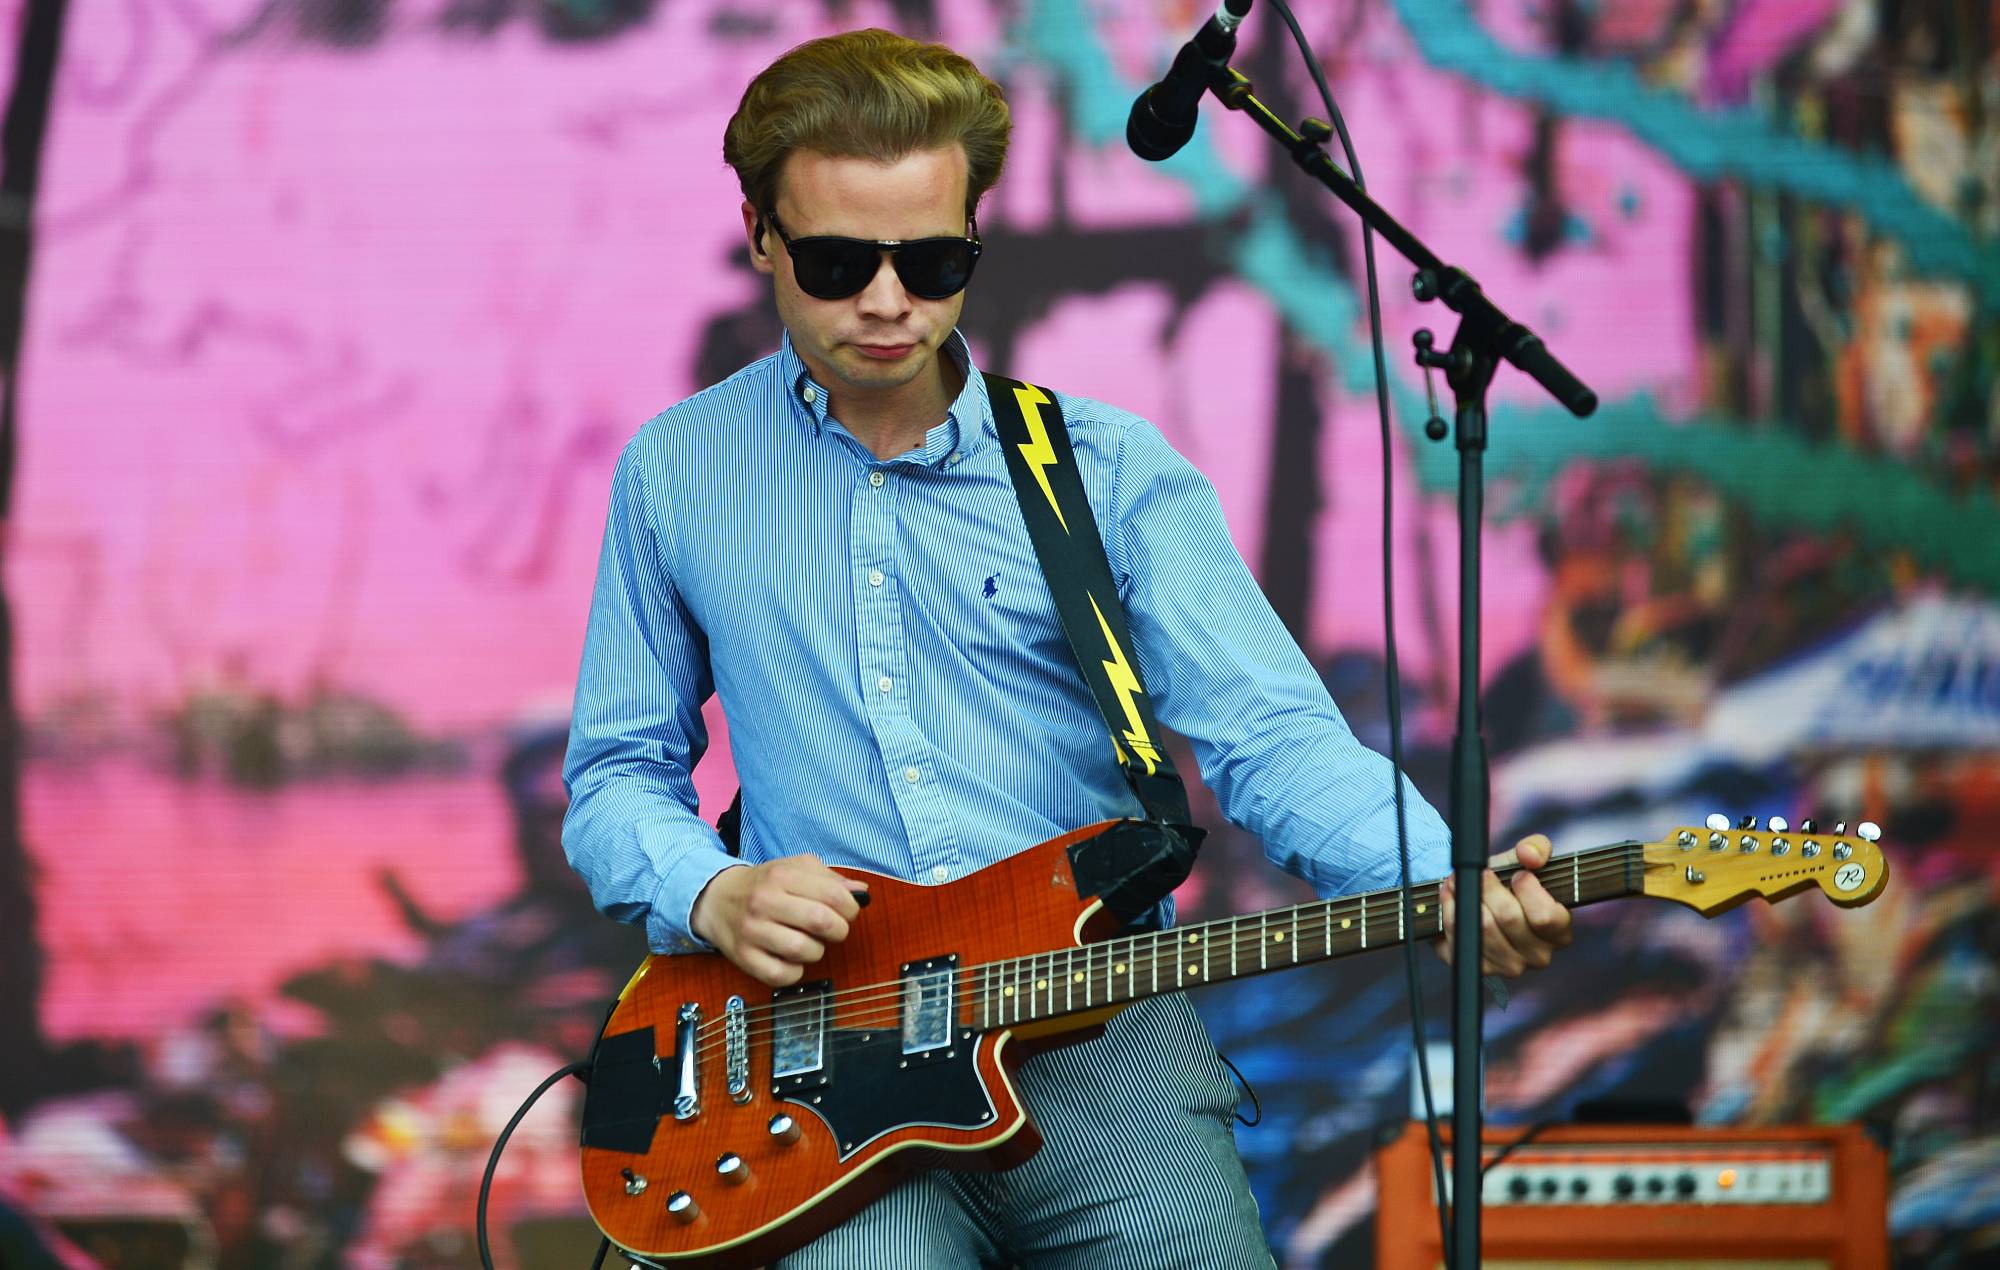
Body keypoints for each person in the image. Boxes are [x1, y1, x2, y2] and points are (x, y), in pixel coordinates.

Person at [561, 27, 1572, 1269]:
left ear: (975, 242)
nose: (887, 302)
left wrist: (1429, 876)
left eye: (930, 261)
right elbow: (617, 774)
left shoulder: (1103, 467)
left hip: (1102, 1032)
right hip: (815, 1045)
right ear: (760, 235)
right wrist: (711, 890)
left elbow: (1270, 737)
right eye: (834, 261)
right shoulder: (675, 471)